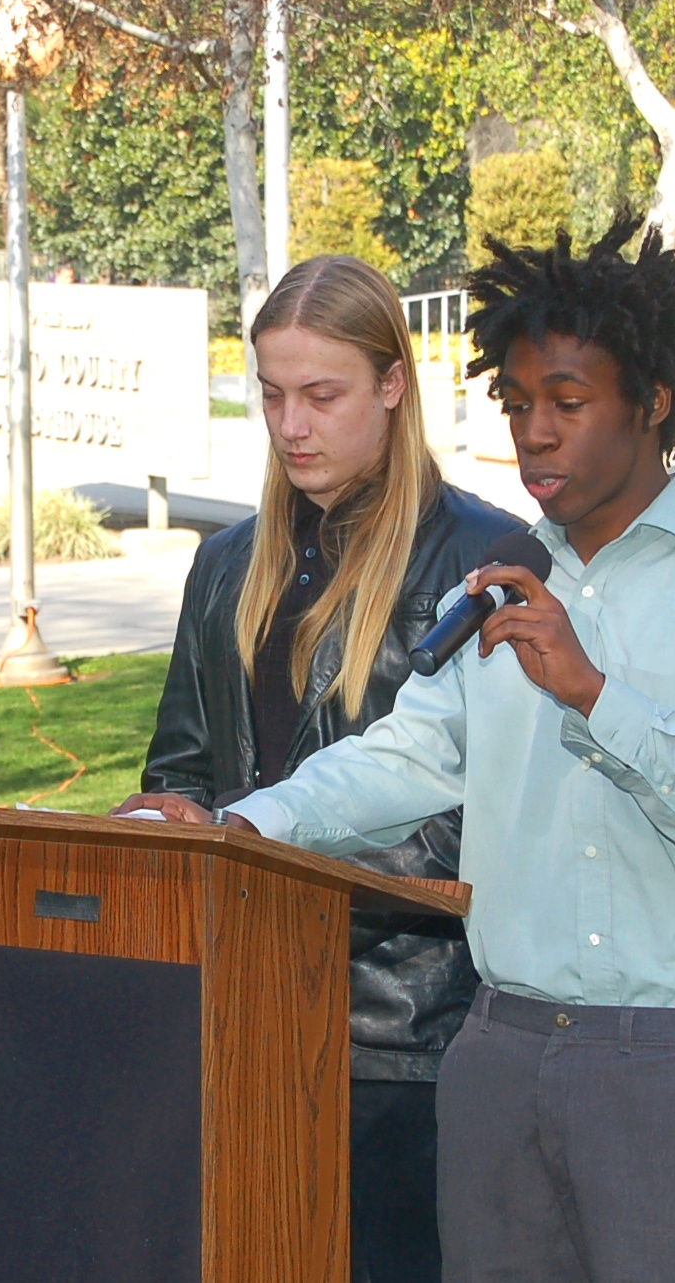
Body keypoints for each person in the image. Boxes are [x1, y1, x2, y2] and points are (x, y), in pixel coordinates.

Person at [123, 224, 675, 1283]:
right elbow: (398, 757)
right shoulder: (494, 584)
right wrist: (234, 825)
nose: (535, 434)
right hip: (497, 1059)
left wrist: (595, 695)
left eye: (567, 403)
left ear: (652, 403)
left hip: (671, 1062)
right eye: (517, 404)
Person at [125, 254, 522, 1283]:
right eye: (270, 395)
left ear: (391, 384)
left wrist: (262, 851)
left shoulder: (484, 558)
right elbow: (181, 766)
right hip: (235, 1003)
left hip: (405, 1029)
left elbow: (485, 815)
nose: (290, 424)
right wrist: (159, 823)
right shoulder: (225, 562)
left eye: (320, 395)